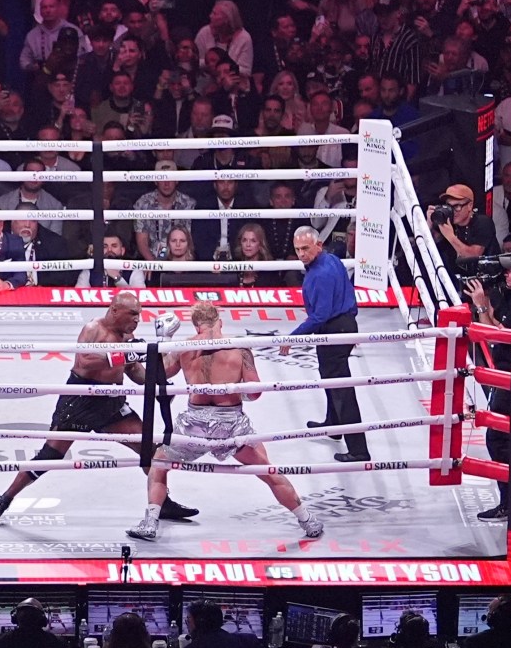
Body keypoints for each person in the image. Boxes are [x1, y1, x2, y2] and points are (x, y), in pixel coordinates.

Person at [0, 291, 194, 527]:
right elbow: (85, 361)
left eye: (139, 314)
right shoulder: (94, 329)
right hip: (80, 399)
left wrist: (158, 382)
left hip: (111, 403)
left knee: (149, 450)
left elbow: (132, 371)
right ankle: (4, 499)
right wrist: (123, 354)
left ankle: (161, 503)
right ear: (114, 310)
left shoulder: (128, 335)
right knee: (49, 456)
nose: (137, 319)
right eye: (132, 314)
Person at [127, 301, 322, 542]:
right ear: (220, 322)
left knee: (158, 464)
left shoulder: (183, 347)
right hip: (231, 425)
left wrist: (163, 342)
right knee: (268, 470)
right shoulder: (240, 348)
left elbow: (158, 375)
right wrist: (231, 389)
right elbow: (254, 392)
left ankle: (150, 522)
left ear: (196, 325)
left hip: (193, 425)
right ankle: (308, 521)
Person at [290, 227, 369, 463]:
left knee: (341, 388)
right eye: (297, 250)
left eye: (305, 248)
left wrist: (291, 338)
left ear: (319, 245)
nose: (301, 254)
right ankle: (334, 425)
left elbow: (319, 316)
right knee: (330, 377)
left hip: (335, 329)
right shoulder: (332, 260)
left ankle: (358, 449)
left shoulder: (320, 274)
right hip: (343, 324)